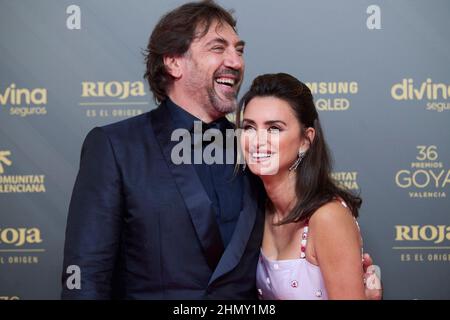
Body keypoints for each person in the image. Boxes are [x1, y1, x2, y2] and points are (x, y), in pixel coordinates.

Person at [61, 0, 380, 300]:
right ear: (174, 62)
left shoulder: (256, 152)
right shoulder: (117, 147)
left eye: (239, 51)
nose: (236, 62)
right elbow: (86, 277)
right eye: (218, 48)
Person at [238, 73, 374, 299]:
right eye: (250, 127)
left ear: (305, 140)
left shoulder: (327, 218)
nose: (257, 140)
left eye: (274, 128)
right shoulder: (259, 209)